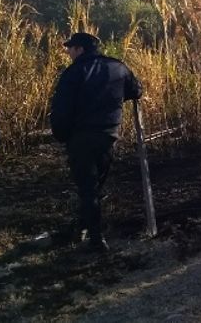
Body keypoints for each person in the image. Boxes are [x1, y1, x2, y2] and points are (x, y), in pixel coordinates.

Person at [50, 32, 142, 253]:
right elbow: (136, 91)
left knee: (88, 188)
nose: (68, 52)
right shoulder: (118, 67)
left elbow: (61, 110)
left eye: (70, 48)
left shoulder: (73, 73)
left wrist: (61, 135)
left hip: (81, 137)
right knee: (94, 185)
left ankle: (95, 238)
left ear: (80, 49)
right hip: (109, 135)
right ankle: (83, 226)